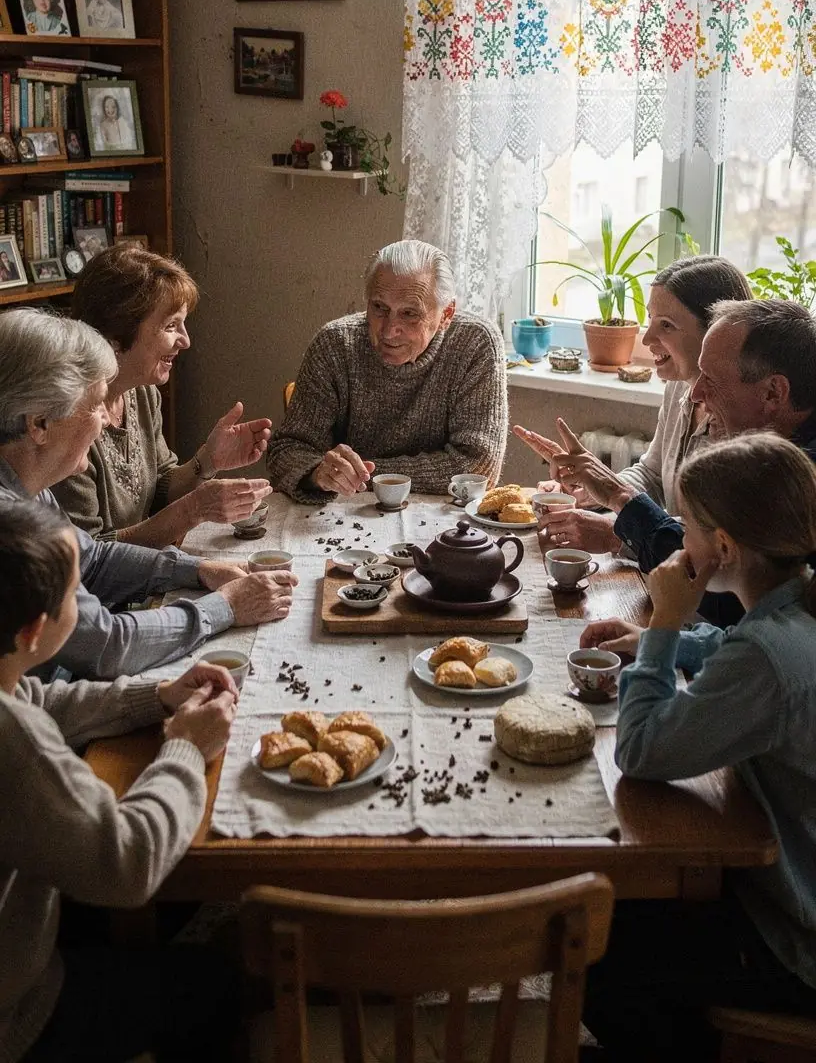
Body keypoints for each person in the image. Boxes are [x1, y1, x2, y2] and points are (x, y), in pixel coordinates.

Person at [582, 433, 816, 1062]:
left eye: (686, 525)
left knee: (597, 942)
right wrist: (656, 642)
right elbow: (735, 649)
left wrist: (663, 624)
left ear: (724, 548)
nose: (678, 535)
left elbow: (640, 750)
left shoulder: (769, 654)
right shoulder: (797, 601)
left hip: (797, 943)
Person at [0, 500, 240, 1063]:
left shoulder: (9, 679)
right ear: (37, 629)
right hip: (17, 1019)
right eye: (75, 594)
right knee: (216, 984)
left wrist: (156, 696)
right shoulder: (12, 738)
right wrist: (186, 747)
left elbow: (45, 697)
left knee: (188, 901)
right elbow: (128, 862)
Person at [0, 308, 296, 681]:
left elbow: (92, 559)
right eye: (94, 406)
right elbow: (106, 645)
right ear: (40, 423)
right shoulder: (10, 521)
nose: (106, 420)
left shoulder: (26, 485)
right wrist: (226, 606)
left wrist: (199, 570)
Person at [514, 256, 751, 555]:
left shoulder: (743, 416)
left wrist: (618, 534)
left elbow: (716, 548)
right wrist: (592, 487)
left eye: (666, 325)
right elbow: (651, 475)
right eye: (650, 319)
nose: (648, 337)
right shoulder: (679, 385)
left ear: (716, 333)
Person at [54, 242, 274, 547]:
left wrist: (208, 460)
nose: (185, 340)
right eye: (171, 325)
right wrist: (194, 509)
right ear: (116, 335)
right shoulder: (69, 419)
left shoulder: (143, 393)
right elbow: (92, 557)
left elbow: (159, 490)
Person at [267, 239, 508, 501]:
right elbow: (287, 451)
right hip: (344, 513)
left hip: (442, 517)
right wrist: (317, 473)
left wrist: (364, 474)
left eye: (409, 314)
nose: (389, 330)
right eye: (380, 308)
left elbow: (476, 466)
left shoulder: (476, 343)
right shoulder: (335, 344)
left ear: (446, 314)